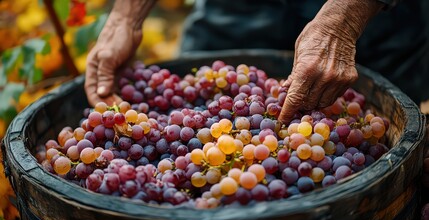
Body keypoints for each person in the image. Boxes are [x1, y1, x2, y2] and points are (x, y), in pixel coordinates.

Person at [84, 0, 429, 124]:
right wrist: (125, 18)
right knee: (199, 90)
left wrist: (346, 20)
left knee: (377, 116)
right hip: (236, 7)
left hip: (374, 14)